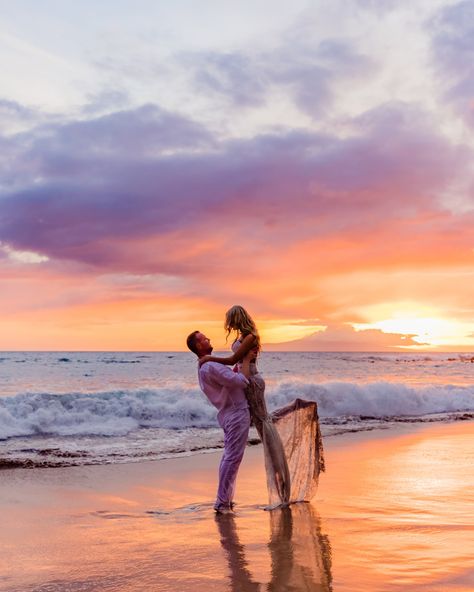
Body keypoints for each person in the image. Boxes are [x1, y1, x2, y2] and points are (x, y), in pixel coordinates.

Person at [199, 305, 325, 509]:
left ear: (237, 318)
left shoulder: (250, 336)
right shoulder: (243, 336)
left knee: (265, 427)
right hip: (247, 379)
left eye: (230, 319)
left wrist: (209, 359)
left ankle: (283, 487)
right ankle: (282, 485)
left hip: (253, 382)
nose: (228, 324)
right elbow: (238, 362)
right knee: (264, 424)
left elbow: (233, 359)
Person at [187, 330, 255, 514]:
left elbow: (229, 378)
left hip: (228, 413)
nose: (208, 339)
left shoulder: (207, 366)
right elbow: (241, 381)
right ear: (198, 346)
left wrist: (238, 365)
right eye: (204, 339)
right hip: (235, 413)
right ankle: (222, 501)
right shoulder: (210, 366)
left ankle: (225, 499)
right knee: (232, 458)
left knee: (229, 457)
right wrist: (247, 360)